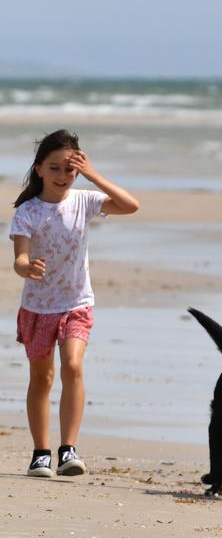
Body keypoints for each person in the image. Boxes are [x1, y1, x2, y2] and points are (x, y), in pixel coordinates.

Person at [9, 129, 140, 478]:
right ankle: (41, 453)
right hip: (37, 308)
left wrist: (94, 175)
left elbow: (131, 205)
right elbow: (19, 259)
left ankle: (69, 449)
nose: (63, 177)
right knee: (42, 378)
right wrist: (27, 268)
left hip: (76, 303)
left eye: (70, 169)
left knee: (73, 365)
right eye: (54, 168)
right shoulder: (27, 211)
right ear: (38, 170)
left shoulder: (84, 200)